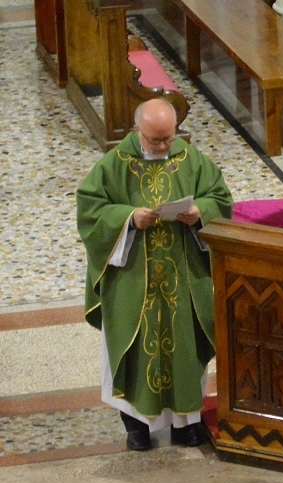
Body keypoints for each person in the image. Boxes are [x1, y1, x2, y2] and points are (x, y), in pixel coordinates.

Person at [76, 98, 233, 451]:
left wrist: (200, 212)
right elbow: (90, 211)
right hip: (133, 279)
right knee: (135, 348)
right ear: (137, 130)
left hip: (183, 276)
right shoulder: (114, 164)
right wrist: (129, 218)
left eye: (168, 139)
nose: (163, 147)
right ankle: (136, 426)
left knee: (185, 345)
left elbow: (221, 200)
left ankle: (185, 423)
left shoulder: (191, 160)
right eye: (154, 140)